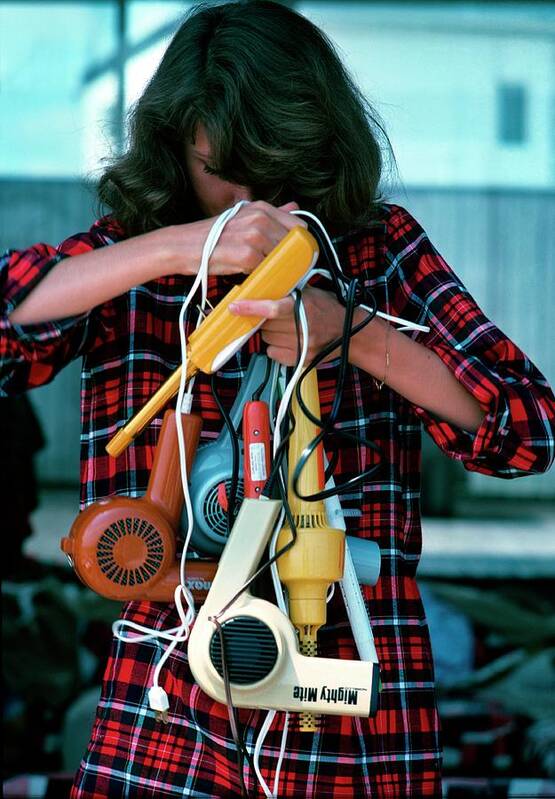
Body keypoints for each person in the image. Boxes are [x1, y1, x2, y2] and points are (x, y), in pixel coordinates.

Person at [1, 1, 554, 796]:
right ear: (174, 147)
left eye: (277, 168)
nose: (252, 198)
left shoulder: (377, 249)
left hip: (348, 707)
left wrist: (354, 336)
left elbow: (526, 430)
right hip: (165, 703)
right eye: (221, 167)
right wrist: (175, 247)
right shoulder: (128, 256)